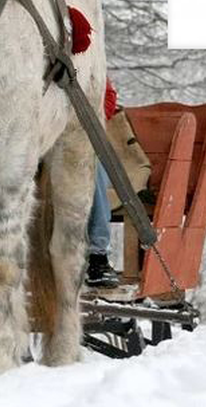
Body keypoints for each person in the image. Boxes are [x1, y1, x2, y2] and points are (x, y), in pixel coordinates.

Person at [85, 79, 121, 289]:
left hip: (78, 134)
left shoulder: (88, 63)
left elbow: (108, 97)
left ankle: (97, 255)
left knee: (93, 165)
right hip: (36, 136)